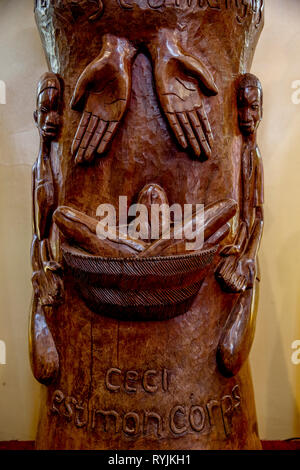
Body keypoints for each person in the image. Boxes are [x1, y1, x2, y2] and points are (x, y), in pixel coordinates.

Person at [215, 73, 264, 377]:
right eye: (241, 108)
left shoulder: (253, 157)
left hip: (246, 257)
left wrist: (247, 258)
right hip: (237, 247)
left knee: (230, 355)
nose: (246, 116)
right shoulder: (237, 154)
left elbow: (257, 217)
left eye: (253, 108)